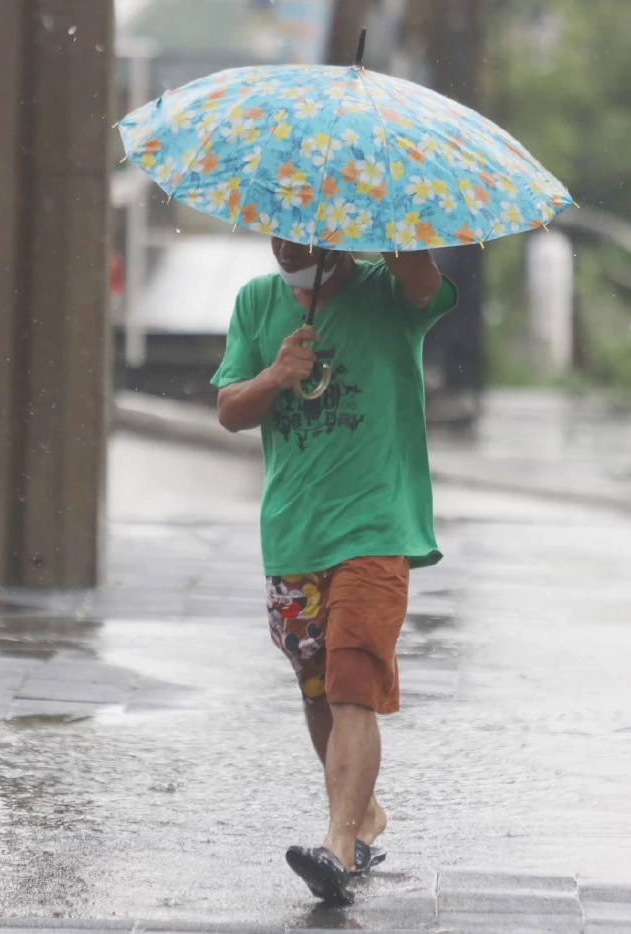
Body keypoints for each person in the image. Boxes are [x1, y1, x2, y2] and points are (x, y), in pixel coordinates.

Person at [213, 237, 456, 904]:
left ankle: (339, 847)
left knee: (352, 681)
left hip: (376, 527)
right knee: (318, 686)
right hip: (293, 533)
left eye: (301, 231)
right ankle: (363, 814)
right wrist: (273, 376)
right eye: (278, 228)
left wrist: (387, 229)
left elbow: (426, 284)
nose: (286, 242)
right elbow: (229, 410)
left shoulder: (387, 288)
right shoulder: (257, 302)